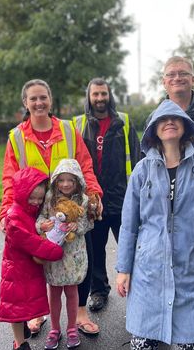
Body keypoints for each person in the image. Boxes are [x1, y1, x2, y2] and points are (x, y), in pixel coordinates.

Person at [116, 99, 194, 350]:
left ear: (185, 127)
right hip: (149, 272)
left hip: (192, 269)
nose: (169, 123)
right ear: (153, 130)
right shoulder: (142, 171)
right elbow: (129, 224)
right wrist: (124, 269)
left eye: (175, 119)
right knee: (144, 342)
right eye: (162, 120)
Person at [0, 78, 103, 335]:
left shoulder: (69, 131)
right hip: (35, 213)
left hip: (71, 209)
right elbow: (9, 179)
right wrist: (5, 213)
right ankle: (38, 313)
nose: (38, 103)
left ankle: (79, 312)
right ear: (25, 103)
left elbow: (86, 166)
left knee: (78, 257)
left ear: (50, 100)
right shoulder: (16, 137)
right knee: (35, 264)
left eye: (43, 97)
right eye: (33, 98)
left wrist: (94, 194)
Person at [73, 78, 141, 317]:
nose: (100, 98)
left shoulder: (124, 121)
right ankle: (99, 291)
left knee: (131, 247)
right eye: (96, 95)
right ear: (89, 97)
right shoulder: (78, 124)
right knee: (95, 250)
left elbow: (138, 157)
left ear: (109, 95)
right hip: (92, 200)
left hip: (123, 198)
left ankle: (138, 290)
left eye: (104, 94)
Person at [0, 167, 64, 350]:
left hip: (26, 269)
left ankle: (22, 334)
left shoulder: (29, 212)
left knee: (24, 305)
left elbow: (35, 231)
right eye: (32, 197)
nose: (36, 202)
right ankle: (20, 344)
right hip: (16, 272)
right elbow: (33, 243)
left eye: (40, 198)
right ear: (20, 193)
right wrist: (56, 250)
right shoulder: (14, 218)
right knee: (16, 309)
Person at [36, 159, 94, 349]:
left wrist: (78, 227)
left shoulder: (83, 200)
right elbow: (41, 218)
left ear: (78, 181)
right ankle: (54, 329)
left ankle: (71, 328)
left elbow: (88, 223)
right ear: (55, 181)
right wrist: (42, 226)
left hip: (74, 255)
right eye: (61, 180)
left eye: (71, 180)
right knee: (53, 292)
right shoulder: (49, 198)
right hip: (53, 254)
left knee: (71, 291)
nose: (66, 184)